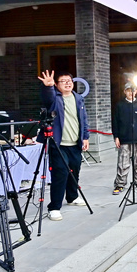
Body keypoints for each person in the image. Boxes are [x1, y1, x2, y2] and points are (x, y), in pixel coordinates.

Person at [38, 70, 90, 221]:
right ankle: (54, 207)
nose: (68, 83)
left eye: (70, 80)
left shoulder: (78, 98)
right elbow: (47, 98)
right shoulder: (55, 98)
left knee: (74, 171)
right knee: (60, 174)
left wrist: (85, 137)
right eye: (63, 81)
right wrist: (48, 87)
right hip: (58, 144)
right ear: (57, 84)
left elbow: (84, 119)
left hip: (75, 143)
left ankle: (72, 197)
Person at [112, 83, 137, 195]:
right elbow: (115, 122)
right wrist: (116, 137)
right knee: (123, 164)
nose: (130, 93)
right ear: (124, 92)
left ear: (136, 91)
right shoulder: (120, 105)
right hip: (124, 139)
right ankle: (120, 184)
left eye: (132, 91)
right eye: (128, 90)